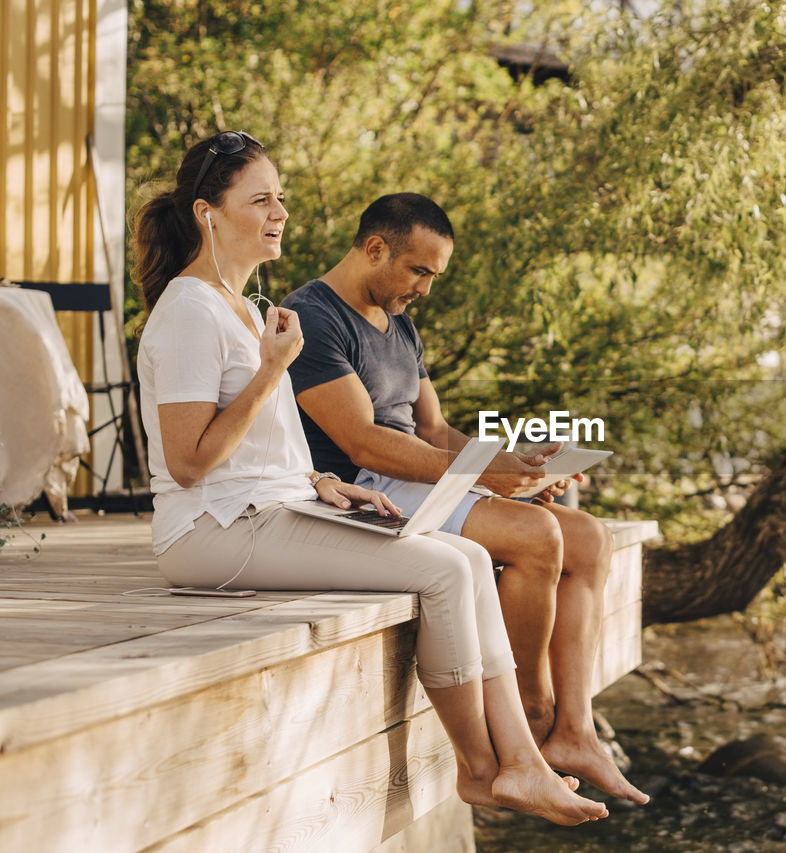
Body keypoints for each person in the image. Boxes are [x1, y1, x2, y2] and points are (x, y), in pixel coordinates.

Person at [131, 131, 607, 826]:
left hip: (268, 507)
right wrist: (272, 369)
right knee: (445, 572)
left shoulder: (245, 307)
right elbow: (189, 462)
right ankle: (482, 770)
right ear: (208, 213)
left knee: (469, 558)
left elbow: (263, 446)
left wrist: (319, 480)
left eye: (281, 198)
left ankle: (526, 765)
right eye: (261, 199)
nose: (280, 212)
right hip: (209, 531)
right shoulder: (188, 310)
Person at [281, 193, 649, 804]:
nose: (425, 287)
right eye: (418, 270)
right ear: (375, 249)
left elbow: (434, 432)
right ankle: (531, 715)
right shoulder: (313, 318)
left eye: (433, 274)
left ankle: (576, 732)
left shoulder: (399, 324)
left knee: (589, 537)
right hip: (363, 491)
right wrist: (484, 473)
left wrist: (515, 463)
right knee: (538, 538)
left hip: (418, 476)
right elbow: (364, 442)